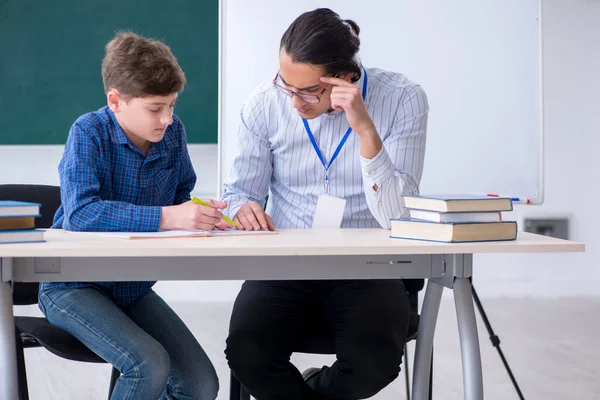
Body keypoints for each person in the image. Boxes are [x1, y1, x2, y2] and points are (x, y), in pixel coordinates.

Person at [222, 7, 429, 400]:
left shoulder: (403, 99)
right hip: (285, 259)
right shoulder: (265, 103)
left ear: (346, 78)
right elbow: (238, 193)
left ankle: (313, 389)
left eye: (308, 91)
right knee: (248, 353)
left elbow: (399, 216)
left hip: (368, 264)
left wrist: (366, 129)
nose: (295, 101)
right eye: (287, 85)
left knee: (374, 365)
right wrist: (241, 208)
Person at [38, 32, 221, 399]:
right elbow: (82, 214)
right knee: (147, 365)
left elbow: (181, 195)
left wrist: (200, 215)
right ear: (116, 101)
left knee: (200, 385)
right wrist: (170, 218)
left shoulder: (173, 134)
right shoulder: (88, 132)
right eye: (156, 108)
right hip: (73, 287)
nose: (168, 118)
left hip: (131, 288)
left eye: (172, 105)